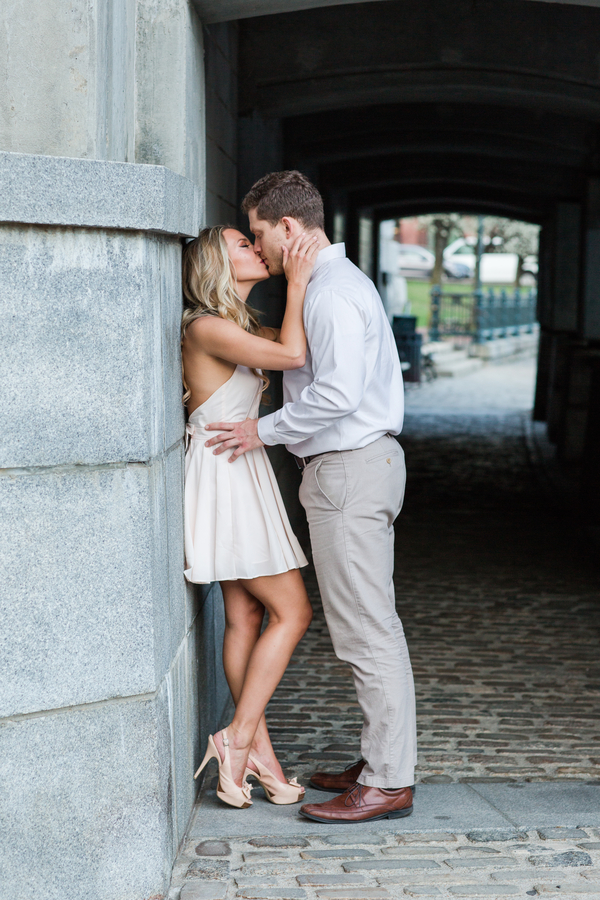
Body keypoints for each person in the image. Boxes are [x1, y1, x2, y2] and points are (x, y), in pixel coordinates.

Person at [206, 171, 417, 823]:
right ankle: (379, 759)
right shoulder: (332, 286)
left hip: (350, 468)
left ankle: (387, 780)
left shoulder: (328, 293)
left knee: (366, 629)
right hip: (351, 467)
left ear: (289, 229)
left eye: (262, 234)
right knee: (363, 623)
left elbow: (335, 397)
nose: (262, 247)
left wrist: (258, 432)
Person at [183, 225, 318, 809]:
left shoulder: (234, 324)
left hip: (241, 472)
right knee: (294, 612)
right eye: (244, 245)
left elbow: (295, 347)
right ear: (217, 262)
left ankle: (259, 756)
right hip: (227, 478)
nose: (256, 251)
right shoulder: (207, 327)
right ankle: (237, 739)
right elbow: (293, 355)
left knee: (244, 618)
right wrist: (299, 281)